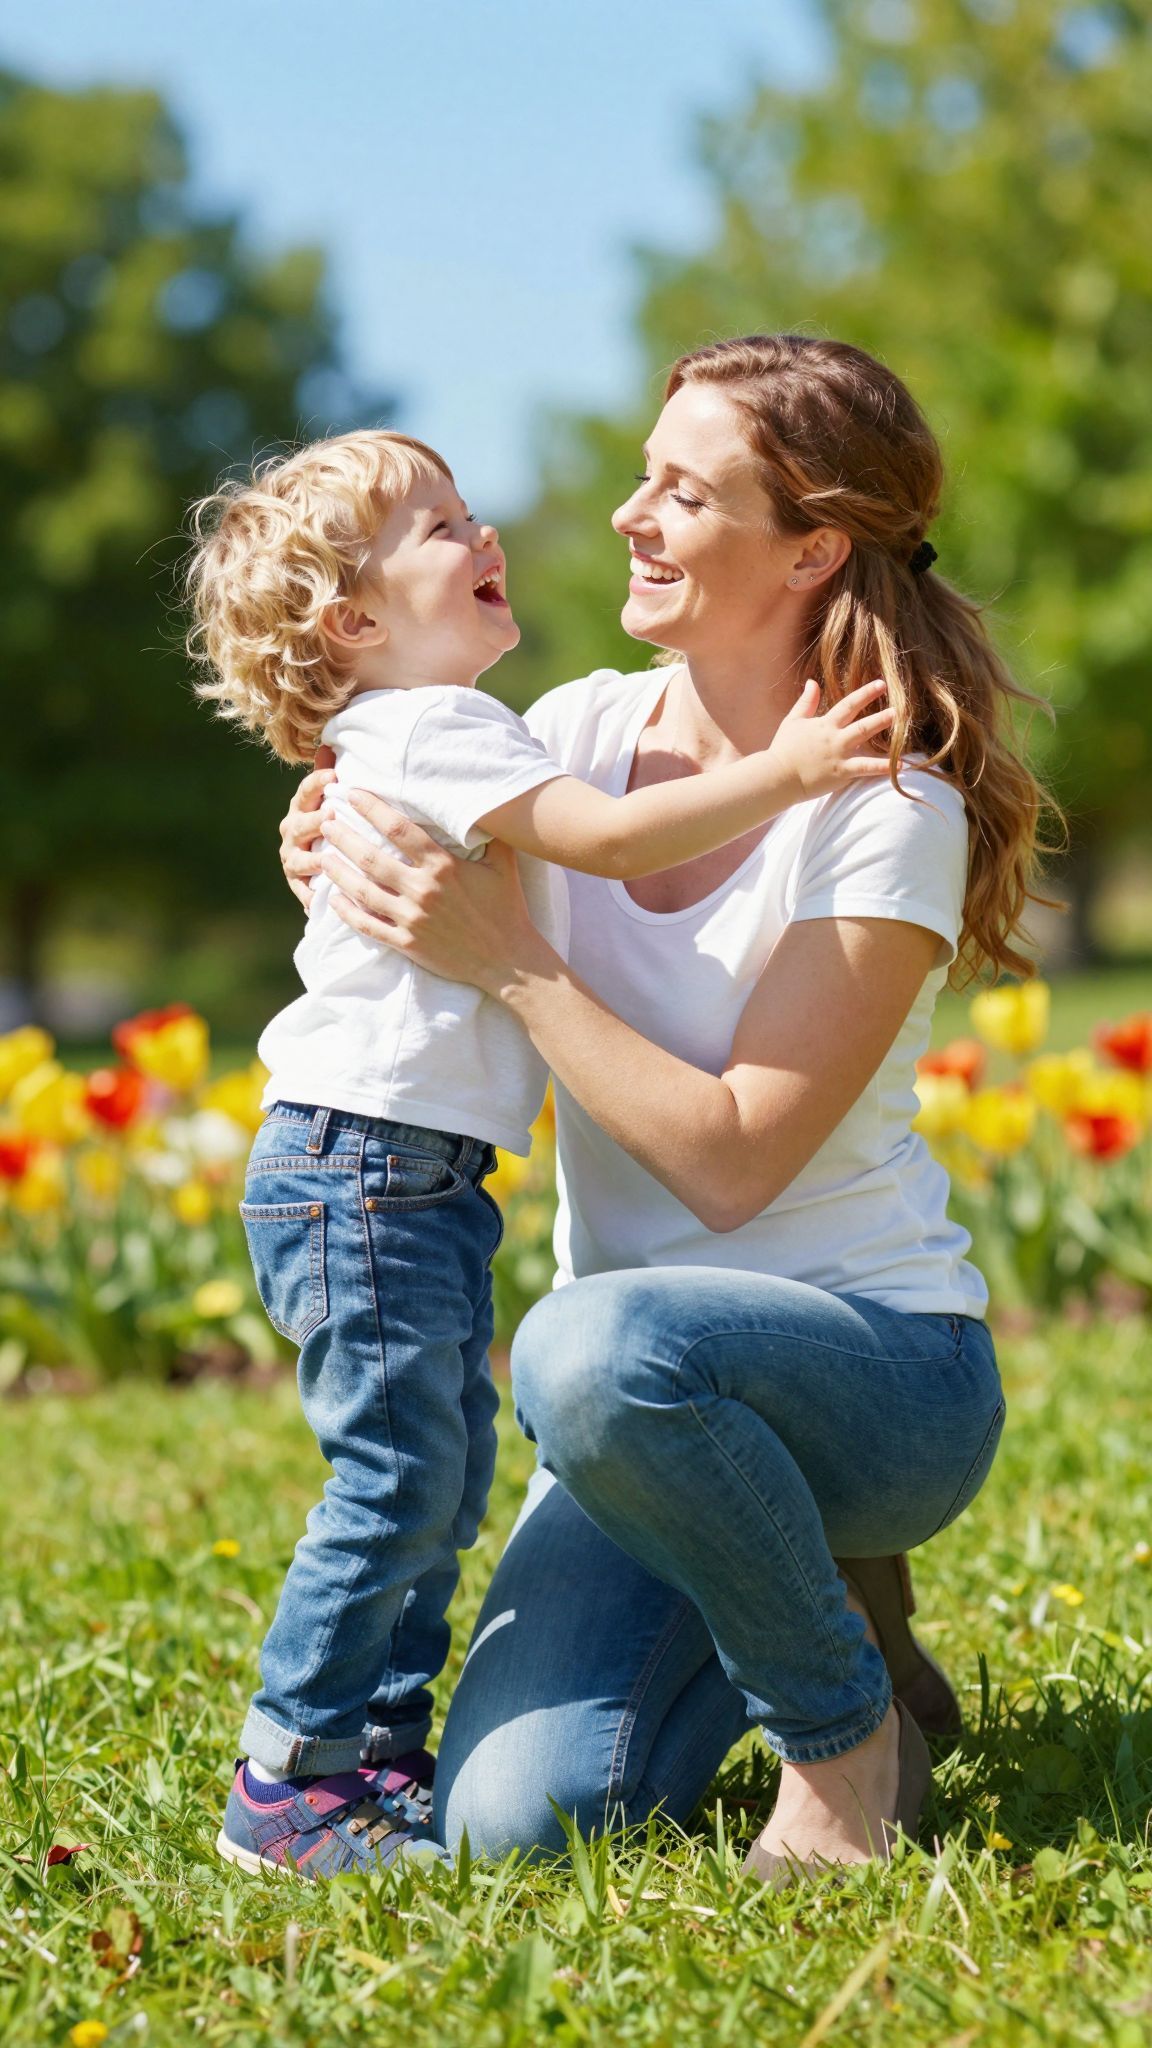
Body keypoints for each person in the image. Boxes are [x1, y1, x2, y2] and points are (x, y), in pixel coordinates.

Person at [280, 337, 1050, 1884]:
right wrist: (331, 838)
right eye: (644, 475)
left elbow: (731, 1163)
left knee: (590, 1343)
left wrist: (505, 962)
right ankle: (834, 1608)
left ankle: (841, 1741)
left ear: (813, 545)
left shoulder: (885, 804)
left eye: (683, 493)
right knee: (524, 1822)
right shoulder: (564, 735)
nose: (630, 515)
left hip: (876, 1377)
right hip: (631, 1419)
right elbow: (408, 804)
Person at [185, 425, 895, 1879]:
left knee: (428, 1477)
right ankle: (291, 1779)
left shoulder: (439, 728)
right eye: (441, 527)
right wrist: (794, 769)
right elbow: (617, 840)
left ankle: (363, 1762)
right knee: (396, 1481)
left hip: (398, 1175)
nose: (486, 533)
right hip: (367, 1169)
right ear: (356, 622)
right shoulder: (438, 728)